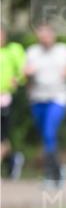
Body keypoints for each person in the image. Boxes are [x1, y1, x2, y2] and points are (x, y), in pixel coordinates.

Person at [24, 23, 66, 187]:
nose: (44, 38)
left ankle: (50, 174)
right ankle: (59, 169)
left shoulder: (65, 50)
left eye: (47, 34)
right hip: (37, 98)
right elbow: (24, 76)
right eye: (41, 35)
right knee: (46, 137)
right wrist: (27, 74)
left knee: (49, 132)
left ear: (54, 35)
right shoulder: (32, 52)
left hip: (58, 97)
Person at [0, 25, 26, 178]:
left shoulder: (13, 51)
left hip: (4, 98)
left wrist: (19, 79)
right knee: (3, 139)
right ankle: (12, 159)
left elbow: (22, 72)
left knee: (1, 137)